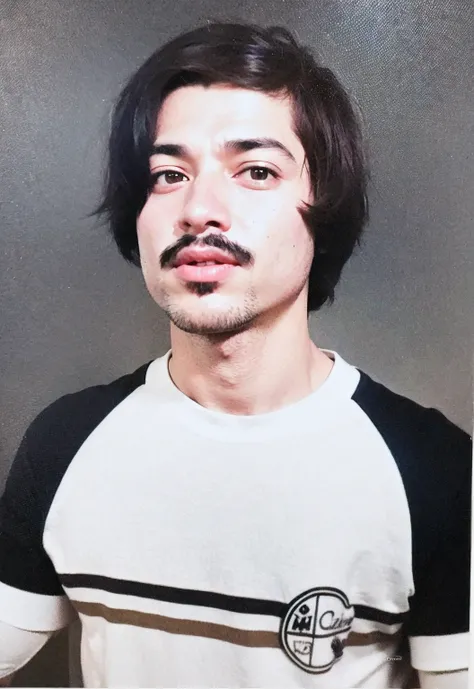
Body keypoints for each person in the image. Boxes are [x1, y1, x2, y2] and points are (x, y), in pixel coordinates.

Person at [0, 21, 470, 689]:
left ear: (323, 209)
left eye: (256, 170)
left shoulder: (434, 470)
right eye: (168, 174)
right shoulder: (65, 442)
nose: (199, 208)